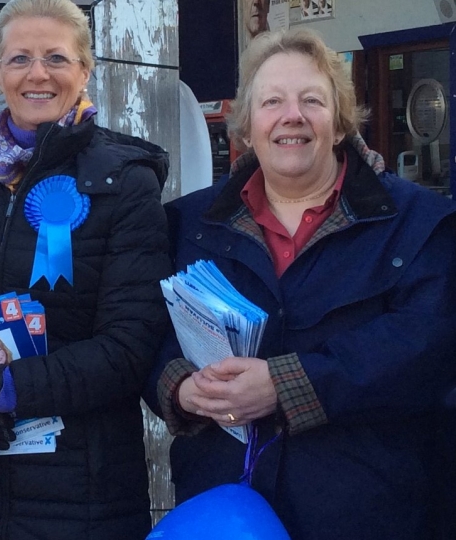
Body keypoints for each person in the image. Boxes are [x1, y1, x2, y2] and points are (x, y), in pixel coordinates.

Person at [144, 29, 456, 540]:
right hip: (222, 510)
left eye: (312, 100)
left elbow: (424, 348)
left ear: (339, 124)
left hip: (370, 509)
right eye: (272, 102)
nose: (292, 115)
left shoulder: (420, 222)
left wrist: (286, 386)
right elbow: (147, 332)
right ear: (246, 125)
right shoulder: (187, 223)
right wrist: (179, 385)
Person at [0, 0, 171, 537]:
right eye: (19, 58)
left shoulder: (125, 182)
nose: (37, 74)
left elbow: (130, 343)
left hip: (83, 488)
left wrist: (7, 389)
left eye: (56, 58)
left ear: (85, 70)